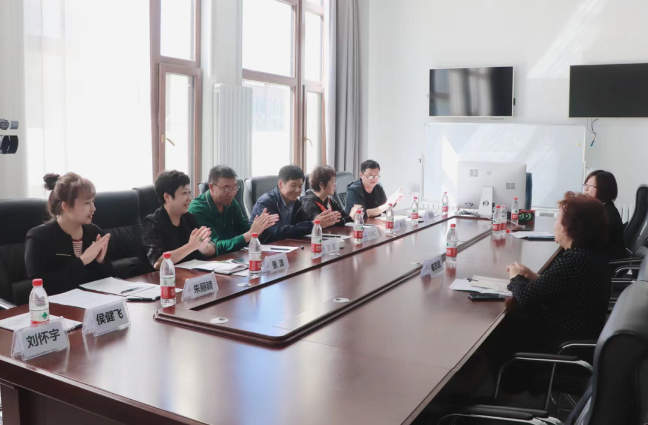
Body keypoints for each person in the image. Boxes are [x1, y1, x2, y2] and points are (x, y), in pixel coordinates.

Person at [506, 192, 611, 353]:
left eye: (557, 220)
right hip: (578, 332)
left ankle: (504, 367)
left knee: (504, 329)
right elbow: (563, 285)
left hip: (560, 343)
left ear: (570, 227)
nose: (554, 225)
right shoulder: (588, 254)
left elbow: (527, 296)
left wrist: (515, 276)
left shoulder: (574, 260)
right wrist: (532, 276)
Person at [25, 173, 113, 298]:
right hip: (56, 306)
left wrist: (101, 262)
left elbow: (110, 282)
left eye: (93, 202)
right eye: (87, 203)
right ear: (66, 206)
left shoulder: (94, 232)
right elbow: (43, 287)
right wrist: (82, 261)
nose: (93, 208)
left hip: (92, 303)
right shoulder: (38, 238)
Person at [189, 165, 278, 255]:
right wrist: (250, 234)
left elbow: (244, 231)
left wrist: (260, 227)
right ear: (211, 187)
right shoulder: (197, 209)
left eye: (234, 188)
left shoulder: (231, 202)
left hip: (232, 258)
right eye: (226, 189)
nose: (232, 194)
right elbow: (214, 246)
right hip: (207, 262)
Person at [142, 170, 214, 270]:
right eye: (184, 193)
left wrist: (203, 248)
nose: (189, 198)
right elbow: (158, 262)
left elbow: (211, 248)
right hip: (165, 277)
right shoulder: (152, 223)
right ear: (167, 197)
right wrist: (191, 246)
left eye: (189, 193)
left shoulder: (189, 218)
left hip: (190, 274)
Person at [250, 165, 339, 243]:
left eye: (300, 186)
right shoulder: (266, 203)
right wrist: (312, 224)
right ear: (280, 184)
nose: (297, 190)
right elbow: (279, 231)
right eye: (293, 185)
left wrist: (321, 221)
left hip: (286, 246)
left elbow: (303, 223)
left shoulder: (296, 203)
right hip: (261, 248)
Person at [583, 170, 627, 261]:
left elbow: (590, 243)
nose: (585, 189)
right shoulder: (603, 209)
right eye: (585, 185)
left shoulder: (606, 214)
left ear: (603, 189)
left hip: (605, 264)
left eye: (590, 185)